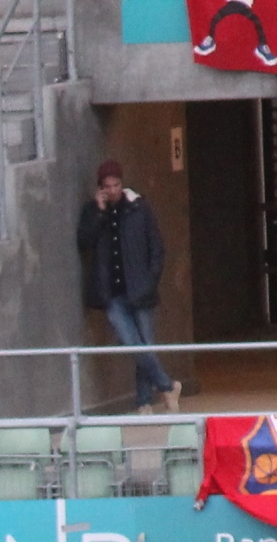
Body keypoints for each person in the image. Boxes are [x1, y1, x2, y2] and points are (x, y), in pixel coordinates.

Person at [77, 159, 178, 411]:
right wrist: (100, 212)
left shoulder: (138, 208)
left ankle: (144, 402)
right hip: (112, 294)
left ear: (122, 185)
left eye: (116, 185)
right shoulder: (93, 211)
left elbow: (156, 248)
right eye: (107, 186)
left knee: (144, 345)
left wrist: (150, 280)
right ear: (100, 187)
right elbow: (84, 241)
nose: (112, 190)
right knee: (134, 344)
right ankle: (167, 386)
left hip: (140, 290)